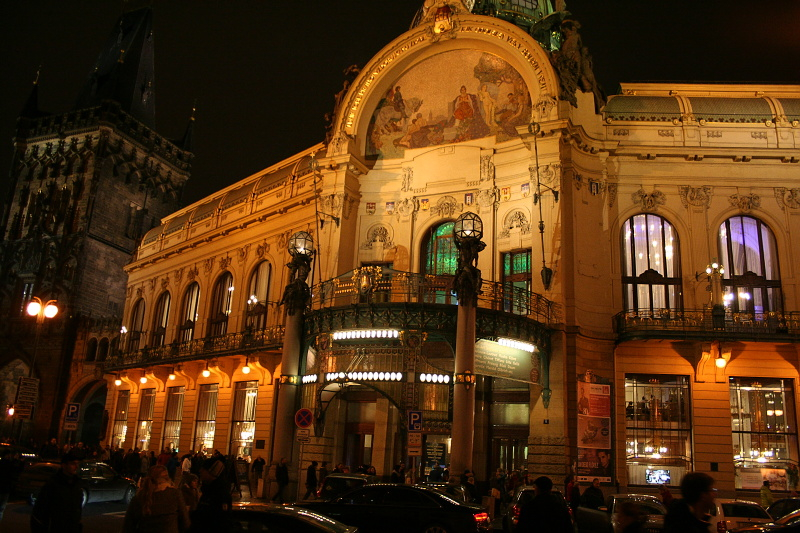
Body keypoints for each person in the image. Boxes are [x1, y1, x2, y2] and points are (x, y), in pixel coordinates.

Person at [123, 464, 190, 533]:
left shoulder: (140, 497)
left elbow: (128, 526)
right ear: (167, 478)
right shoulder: (174, 494)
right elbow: (185, 523)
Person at [31, 452, 84, 533]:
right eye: (73, 464)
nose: (76, 467)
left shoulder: (77, 484)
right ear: (64, 465)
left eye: (77, 464)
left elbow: (77, 508)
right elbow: (40, 510)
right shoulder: (53, 484)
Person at [192, 456, 231, 532]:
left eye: (204, 469)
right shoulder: (207, 490)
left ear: (212, 472)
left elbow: (220, 521)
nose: (200, 471)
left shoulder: (220, 495)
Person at [0, 449, 24, 522]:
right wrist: (18, 461)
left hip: (3, 487)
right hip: (5, 488)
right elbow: (16, 470)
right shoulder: (8, 464)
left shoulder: (3, 463)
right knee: (1, 507)